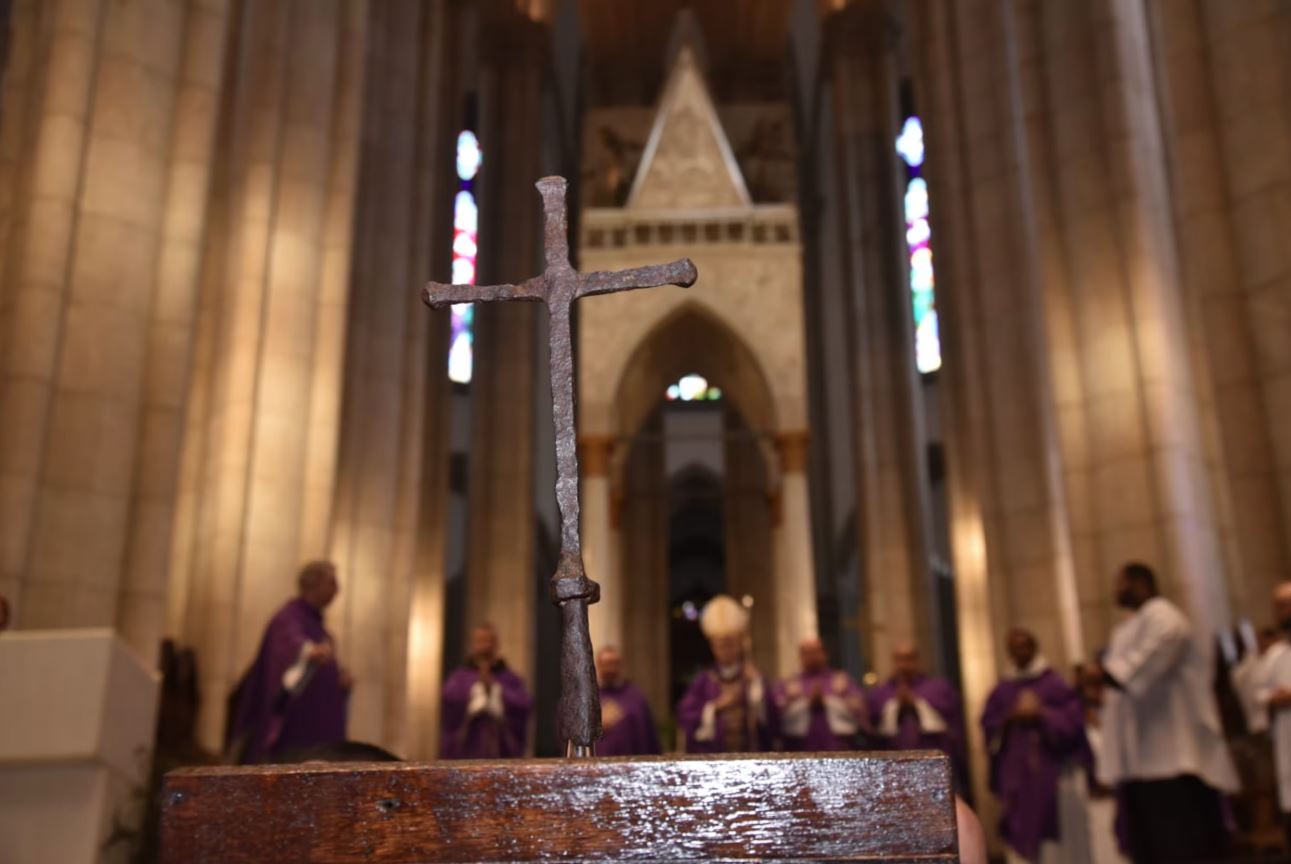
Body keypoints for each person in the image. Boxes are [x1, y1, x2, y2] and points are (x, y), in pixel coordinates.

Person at [1098, 561, 1239, 863]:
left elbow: (1134, 671)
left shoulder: (1164, 616)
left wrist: (1106, 674)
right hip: (1142, 761)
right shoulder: (1128, 627)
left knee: (1181, 847)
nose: (1115, 591)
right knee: (1150, 848)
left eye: (1120, 583)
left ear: (1140, 584)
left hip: (1175, 757)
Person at [981, 628, 1088, 864]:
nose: (1019, 652)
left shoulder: (1054, 684)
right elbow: (989, 725)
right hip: (1017, 778)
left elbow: (1073, 722)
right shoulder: (1003, 690)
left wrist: (1042, 714)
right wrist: (1010, 718)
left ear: (1033, 647)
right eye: (1013, 648)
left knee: (1055, 850)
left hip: (1054, 778)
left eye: (1023, 646)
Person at [228, 560, 351, 763]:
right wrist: (308, 652)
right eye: (332, 582)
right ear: (314, 583)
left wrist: (340, 681)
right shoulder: (288, 617)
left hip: (318, 727)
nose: (337, 590)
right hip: (294, 730)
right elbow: (290, 646)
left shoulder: (319, 627)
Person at [677, 594, 775, 753]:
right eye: (721, 646)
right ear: (713, 648)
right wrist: (714, 707)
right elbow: (686, 715)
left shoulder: (753, 677)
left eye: (730, 644)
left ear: (739, 645)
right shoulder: (704, 681)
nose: (726, 651)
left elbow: (769, 719)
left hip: (750, 756)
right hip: (714, 758)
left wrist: (756, 687)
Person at [869, 641, 968, 787]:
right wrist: (895, 707)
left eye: (908, 658)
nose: (903, 665)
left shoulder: (938, 688)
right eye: (899, 659)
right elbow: (873, 727)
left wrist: (917, 704)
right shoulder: (882, 692)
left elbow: (951, 722)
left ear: (917, 660)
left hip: (932, 761)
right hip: (895, 763)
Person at [440, 622, 532, 758]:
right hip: (466, 753)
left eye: (489, 641)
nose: (485, 646)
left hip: (501, 753)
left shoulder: (510, 678)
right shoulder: (459, 677)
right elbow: (449, 700)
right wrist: (474, 692)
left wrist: (496, 691)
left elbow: (524, 704)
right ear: (473, 644)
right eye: (481, 641)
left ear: (497, 644)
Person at [774, 636, 868, 751]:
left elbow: (861, 710)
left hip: (838, 746)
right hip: (799, 746)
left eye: (815, 652)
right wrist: (790, 700)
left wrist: (840, 699)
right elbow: (774, 713)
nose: (812, 657)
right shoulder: (789, 684)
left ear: (824, 654)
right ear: (801, 656)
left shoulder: (842, 681)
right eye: (807, 653)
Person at [1257, 581, 1291, 852]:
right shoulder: (1274, 656)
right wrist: (1272, 699)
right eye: (1278, 607)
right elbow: (1259, 697)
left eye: (1287, 604)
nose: (1283, 612)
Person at [596, 645, 662, 756]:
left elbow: (649, 736)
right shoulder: (587, 698)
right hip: (596, 766)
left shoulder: (636, 697)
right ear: (598, 666)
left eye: (614, 664)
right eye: (606, 664)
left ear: (621, 666)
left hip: (630, 765)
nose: (611, 669)